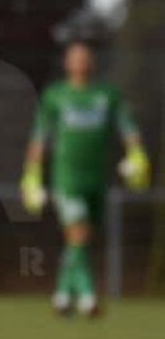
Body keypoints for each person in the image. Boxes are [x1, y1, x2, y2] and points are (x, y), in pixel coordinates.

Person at [20, 39, 149, 317]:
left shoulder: (108, 94)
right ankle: (88, 298)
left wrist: (137, 153)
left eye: (85, 57)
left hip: (97, 179)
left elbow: (128, 127)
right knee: (78, 232)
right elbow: (39, 137)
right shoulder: (56, 95)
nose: (81, 62)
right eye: (76, 58)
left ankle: (63, 295)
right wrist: (32, 175)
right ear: (67, 63)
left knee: (80, 238)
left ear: (92, 62)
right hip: (66, 179)